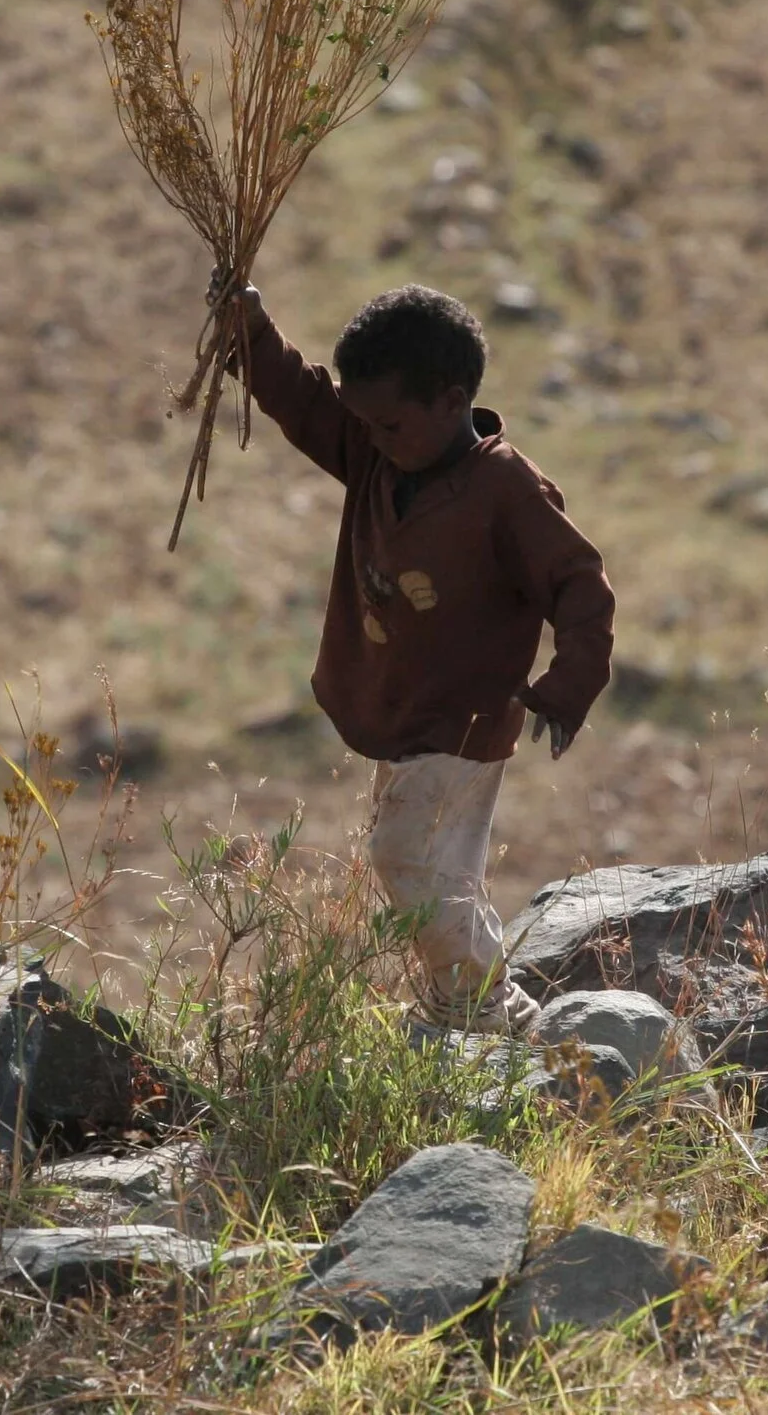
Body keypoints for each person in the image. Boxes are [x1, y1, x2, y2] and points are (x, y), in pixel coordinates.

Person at [227, 278, 616, 1039]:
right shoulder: (380, 452)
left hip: (463, 716)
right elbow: (304, 403)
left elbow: (580, 584)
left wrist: (567, 687)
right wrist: (249, 330)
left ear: (452, 400)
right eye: (365, 421)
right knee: (438, 871)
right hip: (399, 706)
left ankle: (478, 1001)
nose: (372, 437)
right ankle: (477, 1003)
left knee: (406, 857)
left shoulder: (505, 489)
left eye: (390, 423)